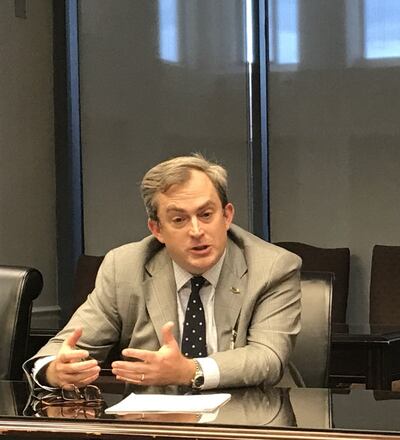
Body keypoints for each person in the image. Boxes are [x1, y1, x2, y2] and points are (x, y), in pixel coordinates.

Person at [29, 154, 301, 390]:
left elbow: (267, 357)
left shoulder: (272, 267)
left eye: (206, 214)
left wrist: (190, 370)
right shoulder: (124, 267)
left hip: (250, 417)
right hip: (156, 422)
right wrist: (54, 370)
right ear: (157, 229)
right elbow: (61, 349)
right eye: (179, 220)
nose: (196, 231)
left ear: (227, 216)